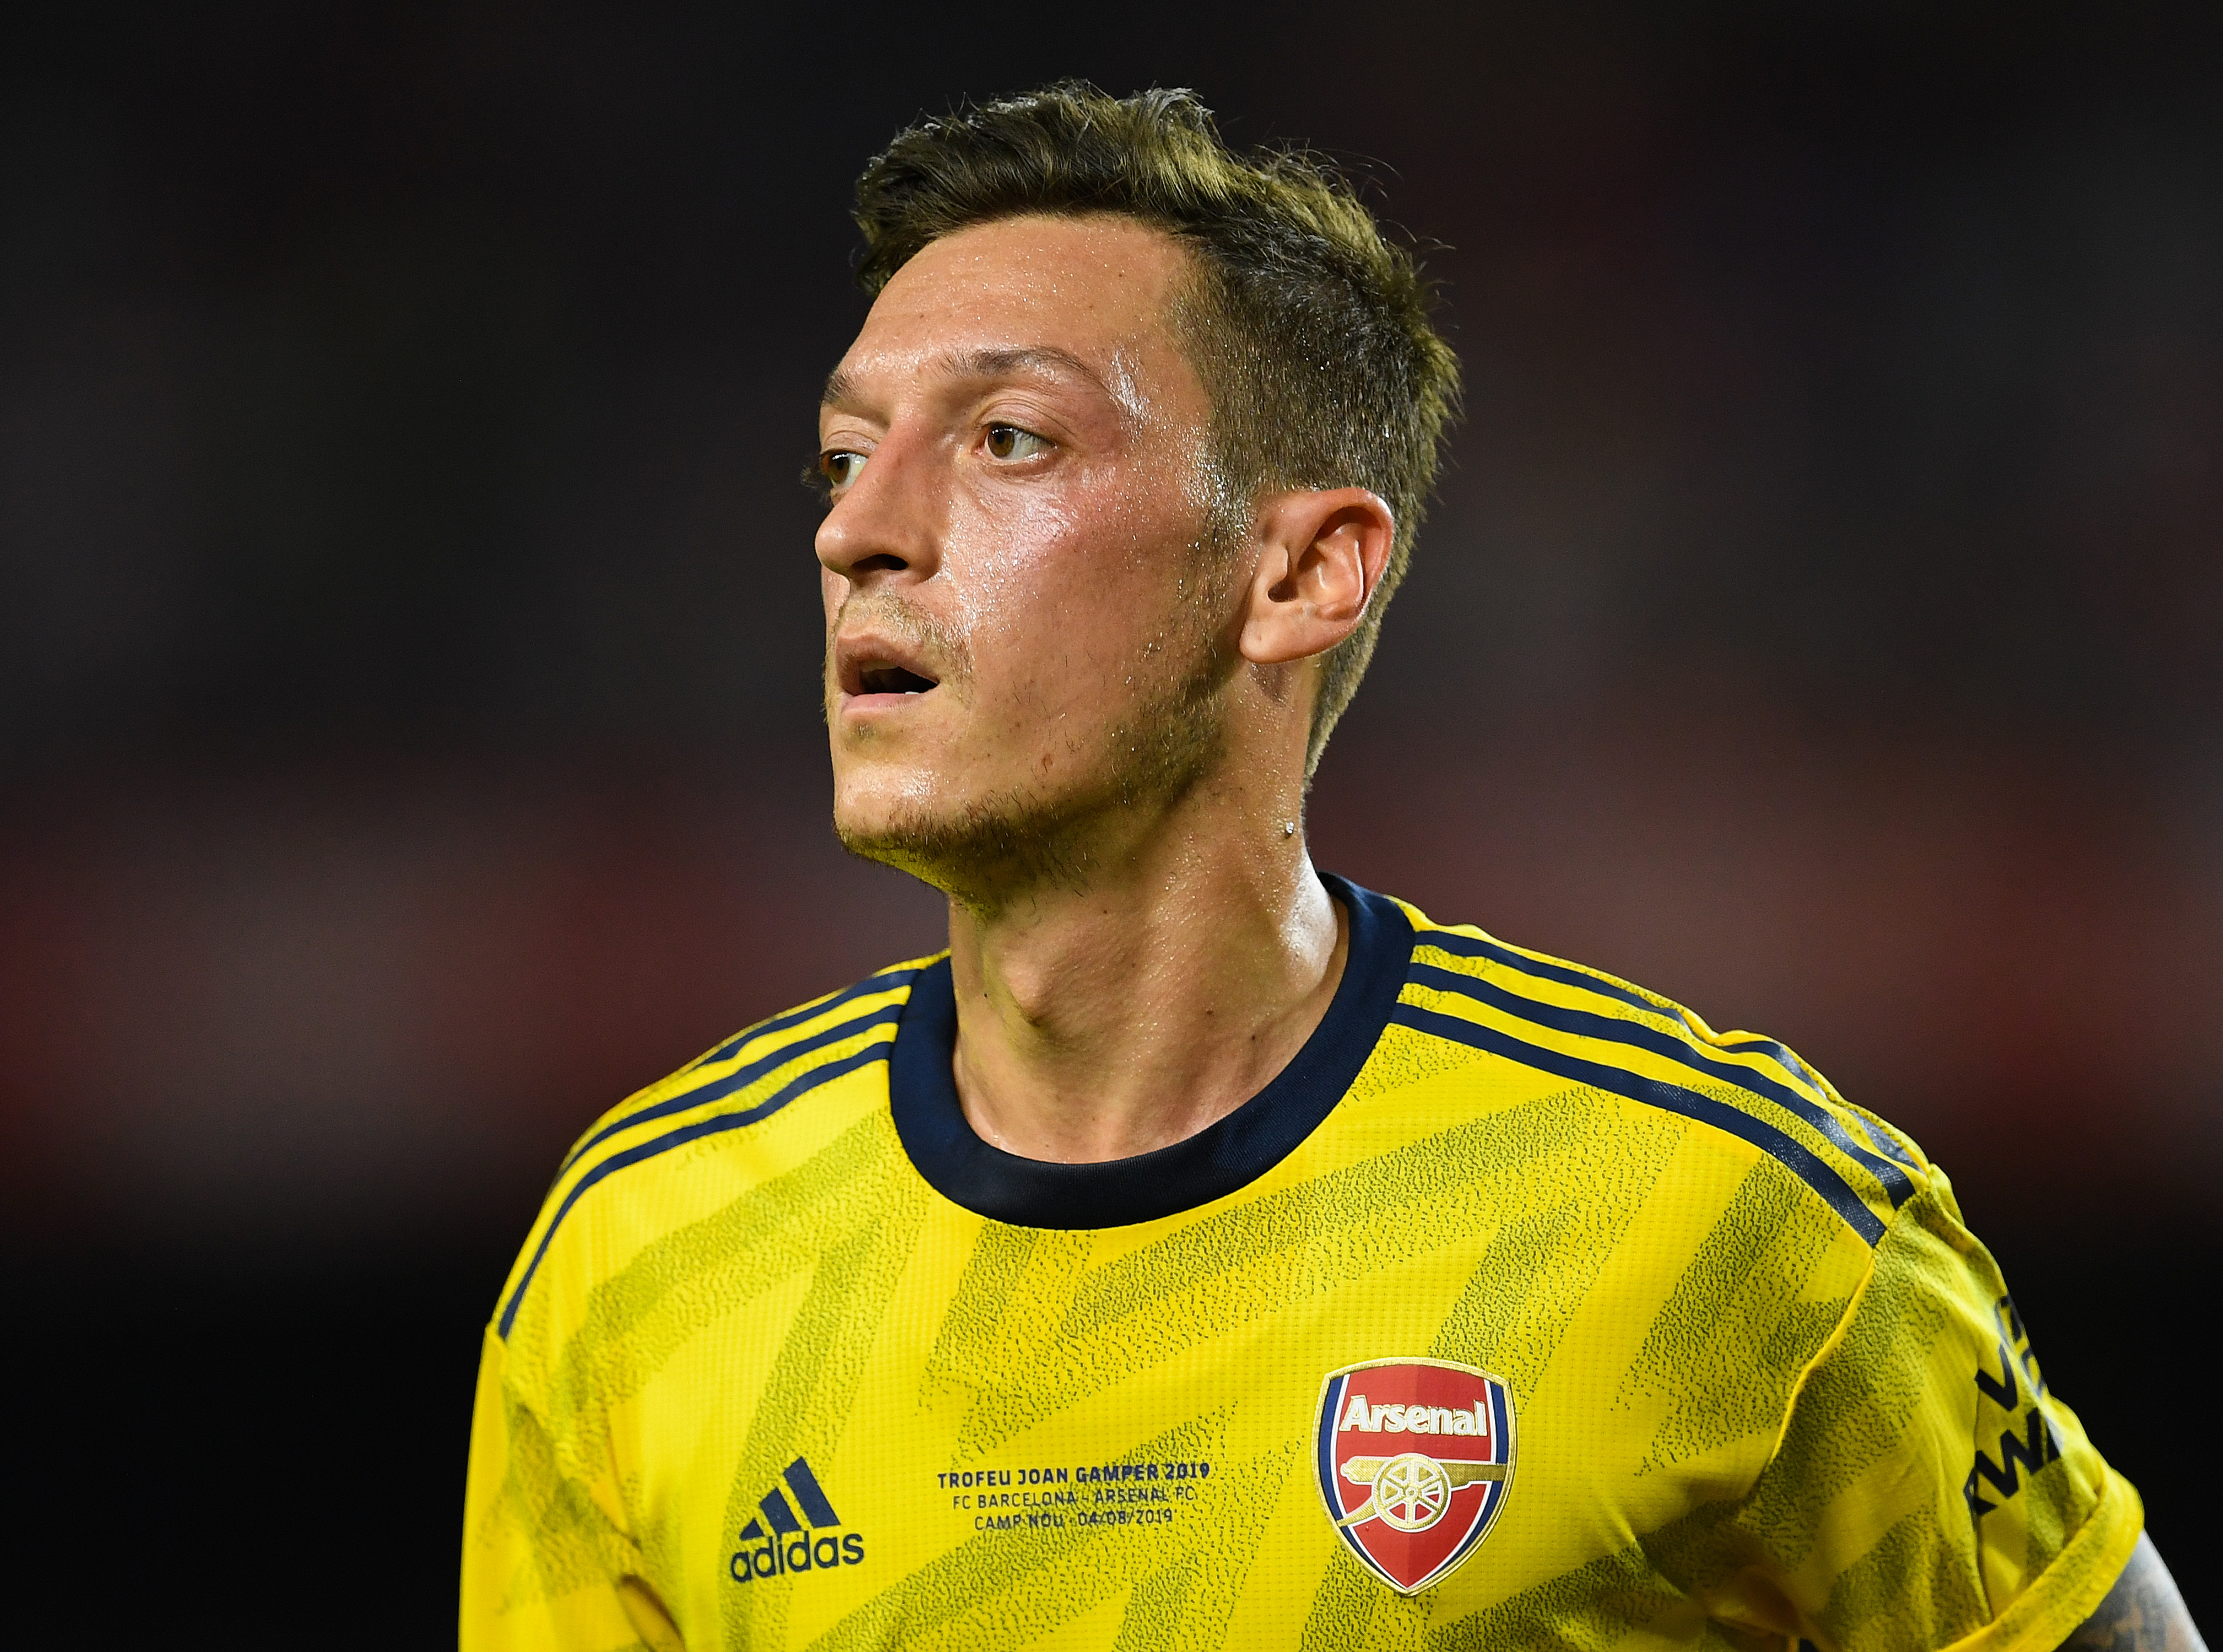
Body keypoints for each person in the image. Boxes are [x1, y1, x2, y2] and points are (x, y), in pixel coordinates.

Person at [459, 84, 2202, 1651]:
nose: (857, 529)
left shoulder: (1721, 1222)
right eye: (845, 457)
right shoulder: (639, 1259)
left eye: (1007, 440)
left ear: (1300, 575)